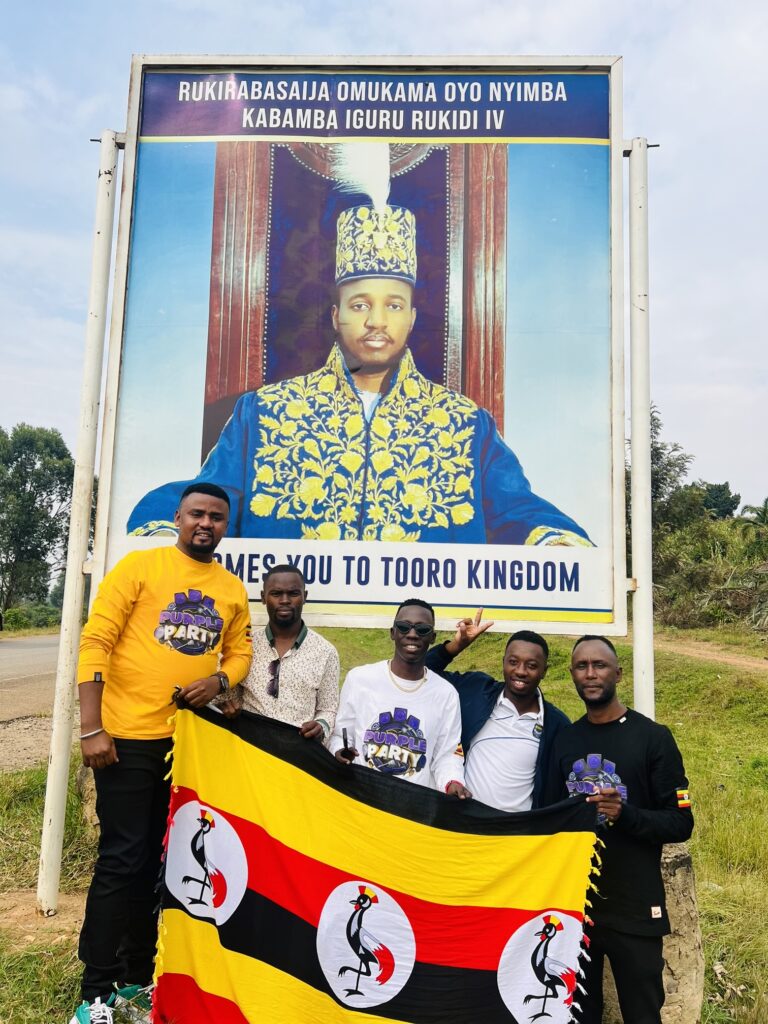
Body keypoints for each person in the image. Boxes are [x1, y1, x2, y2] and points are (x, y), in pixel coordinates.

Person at [127, 146, 591, 546]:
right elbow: (214, 492)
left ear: (411, 317)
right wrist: (164, 529)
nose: (376, 322)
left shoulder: (465, 423)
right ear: (336, 315)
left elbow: (517, 508)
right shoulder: (265, 412)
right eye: (360, 304)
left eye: (393, 305)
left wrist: (556, 541)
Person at [70, 483, 252, 1024]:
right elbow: (96, 642)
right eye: (197, 513)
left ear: (226, 526)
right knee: (121, 862)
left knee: (158, 865)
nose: (206, 523)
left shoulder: (231, 589)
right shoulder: (139, 569)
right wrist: (90, 728)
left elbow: (239, 651)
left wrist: (219, 679)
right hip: (125, 741)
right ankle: (94, 995)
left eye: (217, 517)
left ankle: (134, 982)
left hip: (189, 747)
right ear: (178, 517)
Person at [543, 636, 694, 1024]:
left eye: (600, 665)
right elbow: (547, 817)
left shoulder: (653, 738)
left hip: (636, 907)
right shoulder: (565, 739)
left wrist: (624, 814)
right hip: (578, 909)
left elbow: (681, 822)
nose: (590, 674)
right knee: (580, 1015)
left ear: (618, 674)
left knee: (643, 1014)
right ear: (572, 674)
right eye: (581, 666)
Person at [425, 611, 569, 811]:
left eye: (532, 665)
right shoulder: (475, 690)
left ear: (544, 670)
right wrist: (456, 646)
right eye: (513, 662)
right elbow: (422, 672)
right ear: (503, 663)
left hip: (518, 834)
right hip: (467, 824)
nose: (520, 671)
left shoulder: (556, 724)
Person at [328, 598, 470, 797]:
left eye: (422, 630)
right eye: (404, 627)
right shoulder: (360, 679)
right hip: (361, 800)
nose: (412, 634)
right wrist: (339, 750)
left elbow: (446, 756)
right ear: (392, 633)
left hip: (412, 811)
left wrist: (452, 782)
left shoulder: (446, 695)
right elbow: (340, 736)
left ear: (433, 637)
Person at [217, 563, 339, 740]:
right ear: (263, 597)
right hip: (251, 750)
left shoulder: (325, 652)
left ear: (304, 597)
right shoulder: (244, 646)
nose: (284, 600)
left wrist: (321, 726)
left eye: (293, 593)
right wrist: (227, 706)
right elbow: (228, 699)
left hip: (298, 756)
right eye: (276, 594)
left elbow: (327, 709)